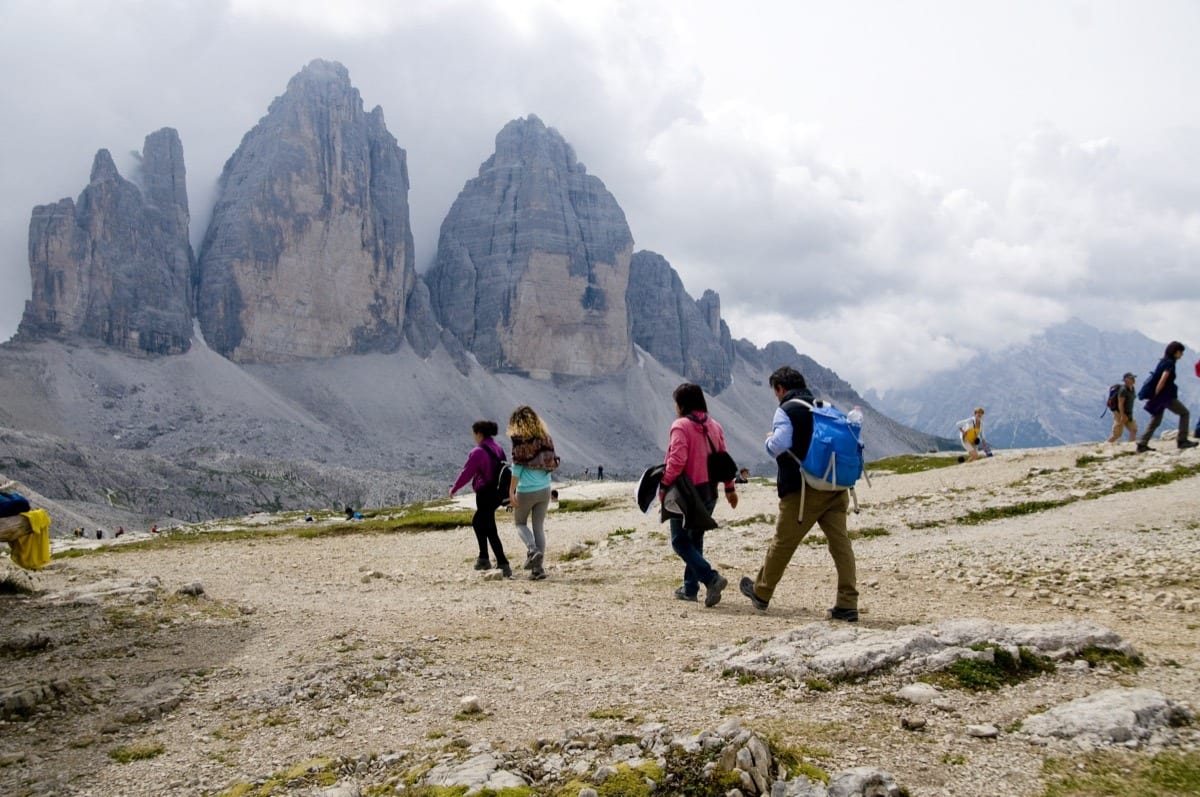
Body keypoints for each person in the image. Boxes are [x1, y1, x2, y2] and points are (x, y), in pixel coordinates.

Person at [740, 366, 858, 622]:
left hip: (804, 489)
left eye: (776, 392)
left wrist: (769, 440)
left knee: (783, 542)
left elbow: (780, 444)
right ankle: (848, 603)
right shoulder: (824, 406)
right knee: (841, 544)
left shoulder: (787, 409)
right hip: (837, 488)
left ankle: (761, 593)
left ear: (780, 388)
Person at [661, 383, 738, 606]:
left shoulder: (681, 426)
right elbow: (724, 459)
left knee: (679, 541)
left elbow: (677, 461)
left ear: (682, 404)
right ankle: (690, 588)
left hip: (686, 494)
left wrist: (664, 485)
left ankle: (711, 578)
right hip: (710, 492)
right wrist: (729, 487)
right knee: (696, 538)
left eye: (676, 402)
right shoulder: (715, 426)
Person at [450, 420, 512, 577]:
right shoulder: (498, 449)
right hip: (498, 493)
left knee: (487, 526)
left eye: (474, 433)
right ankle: (484, 557)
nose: (473, 437)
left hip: (485, 492)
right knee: (481, 522)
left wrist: (455, 488)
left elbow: (467, 472)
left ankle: (502, 563)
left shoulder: (478, 451)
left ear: (479, 433)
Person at [508, 406, 558, 581]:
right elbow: (552, 462)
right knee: (538, 527)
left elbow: (517, 467)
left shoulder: (519, 439)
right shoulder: (546, 439)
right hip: (544, 489)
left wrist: (511, 490)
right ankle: (538, 570)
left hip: (526, 491)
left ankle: (532, 549)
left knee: (520, 523)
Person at [1137, 341, 1197, 452]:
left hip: (1160, 396)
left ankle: (1142, 444)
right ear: (1175, 352)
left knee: (1156, 420)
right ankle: (1182, 440)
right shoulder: (1170, 363)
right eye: (1180, 352)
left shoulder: (1163, 361)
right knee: (1184, 413)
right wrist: (1157, 394)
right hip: (1165, 396)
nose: (1181, 355)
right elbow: (1163, 379)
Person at [1106, 372, 1139, 443]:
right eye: (1131, 378)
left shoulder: (1132, 388)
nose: (1133, 380)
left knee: (1134, 429)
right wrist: (1123, 415)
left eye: (1133, 378)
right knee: (1117, 434)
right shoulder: (1123, 390)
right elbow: (1120, 403)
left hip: (1128, 413)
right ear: (1126, 380)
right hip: (1120, 414)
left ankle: (1131, 446)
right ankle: (1104, 446)